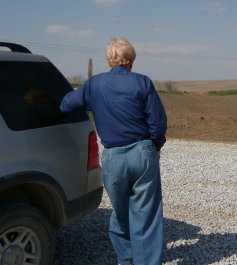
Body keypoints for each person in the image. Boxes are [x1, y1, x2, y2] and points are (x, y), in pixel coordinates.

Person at [60, 37, 167, 265]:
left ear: (109, 59)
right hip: (142, 152)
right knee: (146, 215)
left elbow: (66, 105)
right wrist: (156, 146)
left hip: (113, 158)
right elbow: (157, 123)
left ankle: (126, 260)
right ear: (131, 59)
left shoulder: (94, 84)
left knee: (120, 213)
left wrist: (84, 92)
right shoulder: (143, 82)